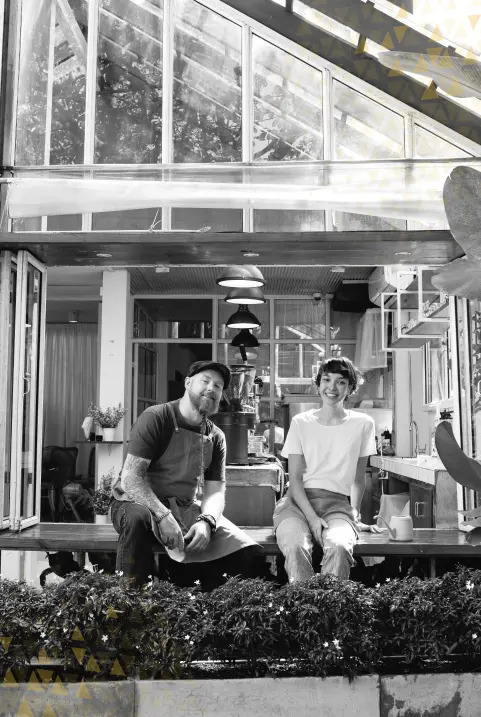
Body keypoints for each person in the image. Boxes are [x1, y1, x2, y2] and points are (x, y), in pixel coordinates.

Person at [110, 360, 258, 587]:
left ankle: (207, 608)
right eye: (205, 381)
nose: (212, 388)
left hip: (184, 509)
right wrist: (162, 514)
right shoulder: (156, 418)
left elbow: (215, 491)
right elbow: (131, 478)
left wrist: (207, 521)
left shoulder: (216, 436)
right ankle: (125, 603)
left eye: (218, 386)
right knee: (138, 518)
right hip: (135, 503)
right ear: (188, 383)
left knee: (244, 551)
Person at [274, 356, 381, 583]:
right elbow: (294, 480)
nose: (332, 387)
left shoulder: (363, 423)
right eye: (326, 380)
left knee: (340, 546)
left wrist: (354, 515)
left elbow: (358, 479)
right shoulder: (301, 422)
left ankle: (331, 610)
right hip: (297, 504)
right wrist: (312, 519)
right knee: (295, 546)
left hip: (338, 506)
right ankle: (304, 610)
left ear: (350, 388)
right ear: (318, 384)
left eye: (341, 382)